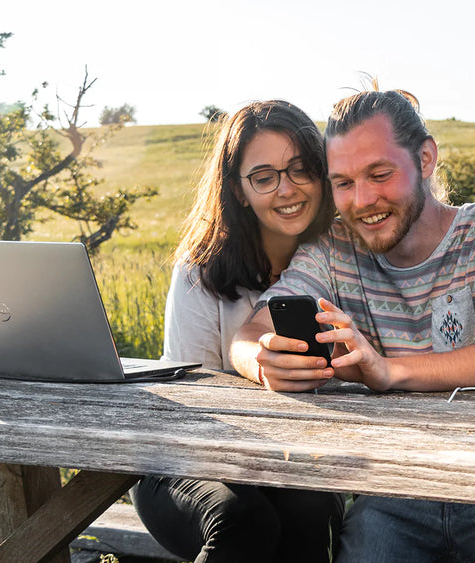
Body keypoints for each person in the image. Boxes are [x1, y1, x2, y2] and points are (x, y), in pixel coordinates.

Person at [231, 90, 475, 562]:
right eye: (343, 182)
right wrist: (263, 361)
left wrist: (389, 371)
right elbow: (248, 334)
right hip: (390, 492)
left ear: (425, 158)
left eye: (380, 174)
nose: (363, 200)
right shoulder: (334, 247)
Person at [131, 100, 344, 563]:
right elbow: (192, 399)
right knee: (242, 520)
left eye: (301, 169)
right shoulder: (201, 269)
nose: (287, 189)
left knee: (311, 508)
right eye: (264, 177)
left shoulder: (344, 259)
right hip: (186, 458)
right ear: (239, 190)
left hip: (293, 461)